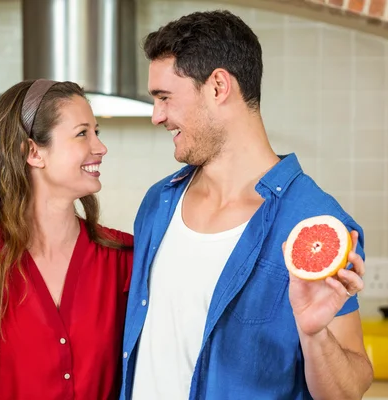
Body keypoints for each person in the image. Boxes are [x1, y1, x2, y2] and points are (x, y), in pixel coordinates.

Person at [120, 10, 373, 400]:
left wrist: (315, 334)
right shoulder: (158, 202)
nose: (157, 116)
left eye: (165, 98)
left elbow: (348, 391)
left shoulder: (315, 225)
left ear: (218, 86)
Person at [0, 79, 133, 400]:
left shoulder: (122, 259)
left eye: (97, 132)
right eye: (82, 133)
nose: (100, 147)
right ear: (33, 151)